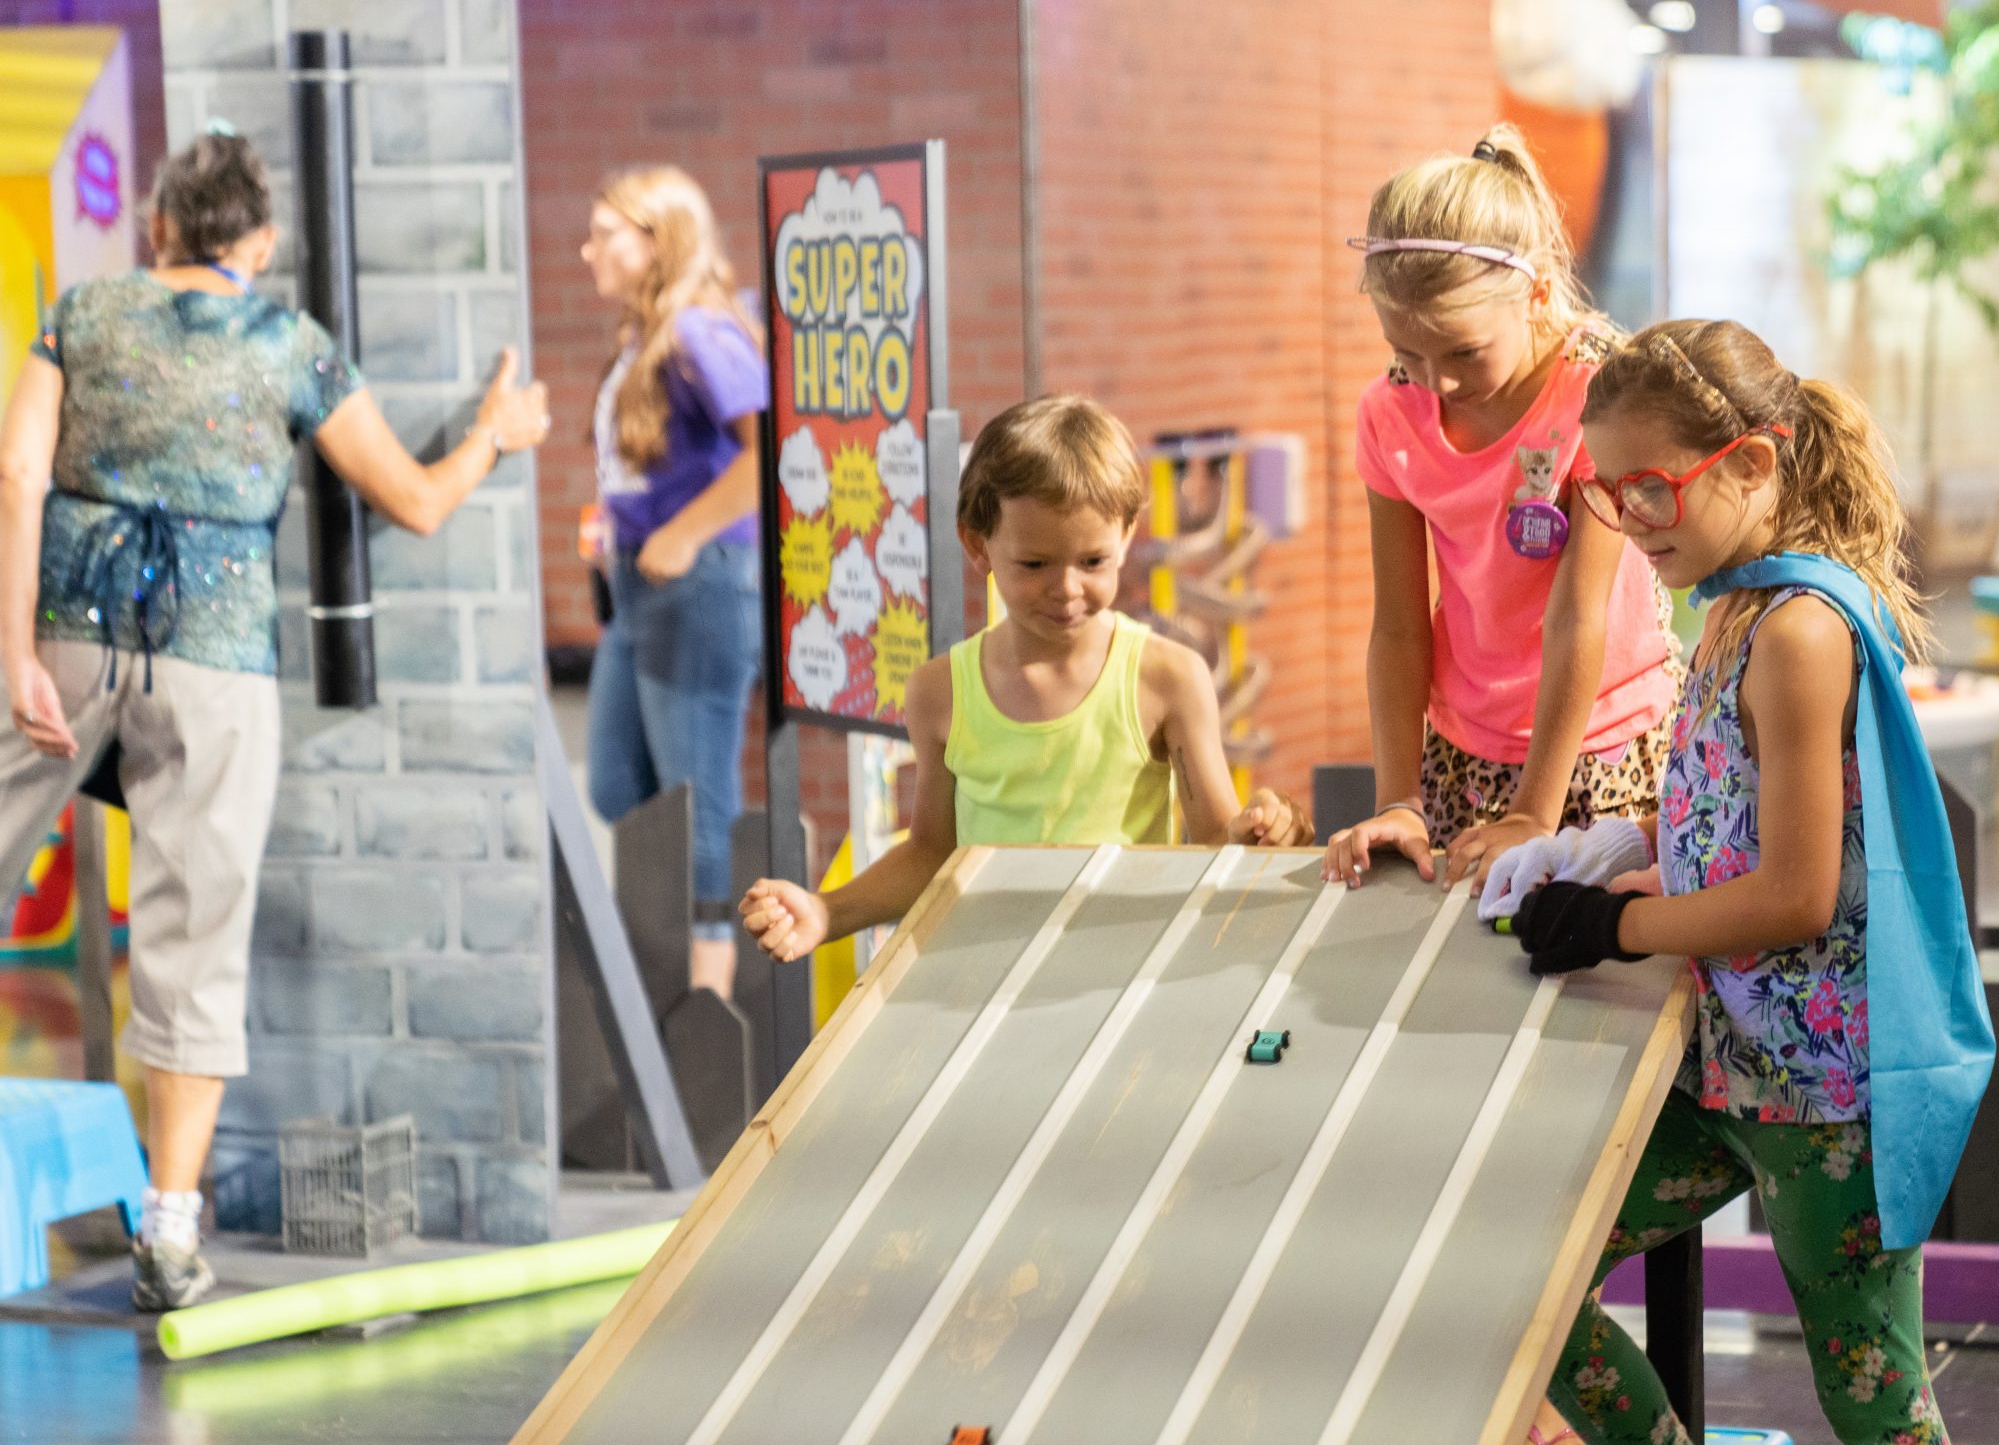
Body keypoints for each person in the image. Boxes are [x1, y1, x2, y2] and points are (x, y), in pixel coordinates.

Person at [1482, 320, 1992, 1445]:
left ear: (1751, 461)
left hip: (1831, 1099)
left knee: (1876, 1406)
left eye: (1649, 487)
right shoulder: (1728, 613)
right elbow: (1725, 823)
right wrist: (1609, 851)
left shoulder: (1802, 628)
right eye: (1604, 490)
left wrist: (1620, 928)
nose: (1628, 517)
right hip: (1731, 1067)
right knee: (1524, 1280)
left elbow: (1793, 892)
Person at [0, 129, 549, 1310]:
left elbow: (15, 474)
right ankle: (170, 1228)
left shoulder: (84, 313)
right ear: (258, 241)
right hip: (216, 663)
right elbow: (410, 499)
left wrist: (13, 656)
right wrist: (493, 437)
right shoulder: (290, 345)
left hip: (67, 639)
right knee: (194, 934)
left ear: (156, 227)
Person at [1316, 124, 1681, 1445]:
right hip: (1472, 761)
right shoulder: (1392, 415)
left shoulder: (1592, 396)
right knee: (1458, 1079)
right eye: (1411, 355)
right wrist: (1402, 790)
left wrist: (1538, 803)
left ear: (1536, 284)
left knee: (1568, 1099)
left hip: (1600, 753)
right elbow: (1397, 622)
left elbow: (1584, 617)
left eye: (1459, 353)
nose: (1436, 379)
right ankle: (1501, 1373)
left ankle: (1553, 1373)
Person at [738, 395, 1307, 960]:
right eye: (1034, 564)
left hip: (1121, 977)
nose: (1066, 588)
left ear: (1127, 535)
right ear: (977, 545)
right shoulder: (941, 692)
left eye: (1093, 561)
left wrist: (1257, 831)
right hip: (984, 979)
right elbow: (932, 853)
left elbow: (1213, 840)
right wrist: (827, 911)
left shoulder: (1166, 677)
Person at [579, 165, 767, 1002]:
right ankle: (670, 984)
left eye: (605, 234)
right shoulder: (648, 336)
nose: (588, 251)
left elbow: (773, 454)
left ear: (656, 239)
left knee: (696, 798)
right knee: (617, 783)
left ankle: (709, 997)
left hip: (700, 585)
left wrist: (685, 533)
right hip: (639, 588)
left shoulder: (699, 330)